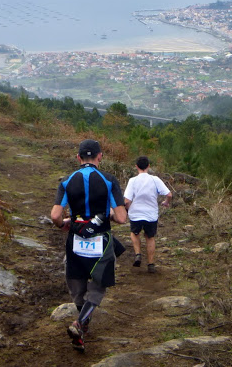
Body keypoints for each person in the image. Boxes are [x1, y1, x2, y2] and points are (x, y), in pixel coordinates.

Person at [51, 139, 127, 352]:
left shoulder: (67, 180)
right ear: (100, 157)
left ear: (78, 158)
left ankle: (82, 325)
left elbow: (56, 215)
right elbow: (121, 218)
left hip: (75, 240)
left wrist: (64, 223)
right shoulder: (109, 180)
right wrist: (108, 214)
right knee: (97, 286)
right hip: (101, 241)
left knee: (77, 285)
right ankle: (80, 324)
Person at [124, 156, 172, 273]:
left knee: (134, 233)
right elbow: (169, 194)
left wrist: (127, 209)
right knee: (150, 237)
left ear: (136, 167)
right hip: (151, 214)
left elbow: (126, 200)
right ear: (148, 166)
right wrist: (166, 202)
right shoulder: (155, 179)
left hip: (135, 213)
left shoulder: (133, 181)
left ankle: (138, 254)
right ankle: (151, 264)